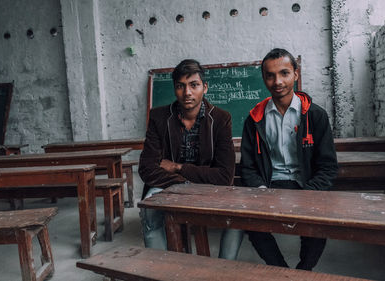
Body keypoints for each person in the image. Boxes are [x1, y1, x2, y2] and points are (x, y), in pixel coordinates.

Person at [240, 48, 338, 270]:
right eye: (270, 75)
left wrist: (309, 194)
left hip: (306, 185)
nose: (277, 81)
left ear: (296, 74)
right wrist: (260, 190)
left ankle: (304, 271)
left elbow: (328, 167)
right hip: (270, 184)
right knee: (251, 223)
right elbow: (247, 167)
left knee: (318, 224)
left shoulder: (315, 115)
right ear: (264, 78)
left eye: (284, 73)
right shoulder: (255, 119)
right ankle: (281, 270)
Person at [138, 59, 238, 258]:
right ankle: (161, 270)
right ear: (174, 89)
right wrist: (185, 183)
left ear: (205, 87)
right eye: (180, 86)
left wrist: (177, 167)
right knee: (149, 208)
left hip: (209, 188)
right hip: (170, 186)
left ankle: (224, 270)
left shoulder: (220, 118)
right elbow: (147, 168)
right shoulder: (158, 117)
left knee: (238, 215)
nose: (187, 93)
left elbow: (225, 176)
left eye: (194, 85)